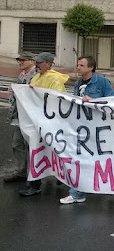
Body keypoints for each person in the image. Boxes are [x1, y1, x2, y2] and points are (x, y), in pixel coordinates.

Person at [60, 56, 114, 204]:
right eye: (78, 65)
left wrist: (93, 101)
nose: (78, 67)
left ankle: (93, 188)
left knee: (97, 158)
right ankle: (78, 191)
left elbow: (113, 101)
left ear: (91, 68)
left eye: (82, 65)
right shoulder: (78, 84)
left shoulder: (102, 82)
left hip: (99, 128)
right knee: (81, 158)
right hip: (82, 127)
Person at [20, 52, 69, 196]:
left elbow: (56, 99)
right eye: (36, 62)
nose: (37, 65)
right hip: (38, 121)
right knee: (39, 150)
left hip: (50, 122)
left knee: (50, 150)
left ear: (48, 63)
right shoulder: (37, 77)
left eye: (40, 63)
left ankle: (40, 183)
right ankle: (36, 182)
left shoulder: (54, 78)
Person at [4, 52, 37, 184]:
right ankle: (21, 171)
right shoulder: (22, 75)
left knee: (32, 145)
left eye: (23, 60)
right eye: (19, 60)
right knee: (17, 144)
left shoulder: (36, 76)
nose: (20, 63)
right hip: (20, 115)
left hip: (31, 117)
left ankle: (34, 173)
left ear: (31, 61)